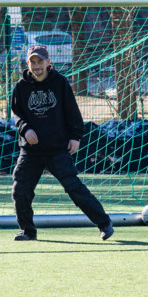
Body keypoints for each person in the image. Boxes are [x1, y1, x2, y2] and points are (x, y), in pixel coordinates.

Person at [10, 44, 114, 242]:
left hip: (57, 148)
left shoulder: (60, 83)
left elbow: (72, 113)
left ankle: (104, 223)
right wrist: (26, 128)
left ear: (49, 62)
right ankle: (27, 231)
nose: (37, 65)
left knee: (74, 187)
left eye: (40, 61)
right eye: (33, 62)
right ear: (28, 64)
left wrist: (75, 136)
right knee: (20, 190)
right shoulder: (20, 87)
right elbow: (17, 114)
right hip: (31, 151)